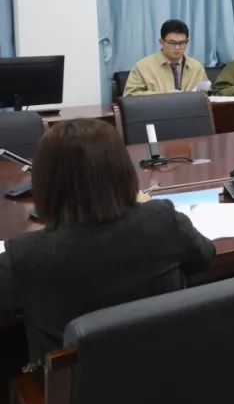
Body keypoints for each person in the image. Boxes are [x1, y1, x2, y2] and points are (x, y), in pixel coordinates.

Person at [0, 119, 215, 369]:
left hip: (77, 390)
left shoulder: (25, 255)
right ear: (123, 172)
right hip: (169, 373)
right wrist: (145, 208)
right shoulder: (161, 219)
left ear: (43, 184)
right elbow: (205, 256)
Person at [123, 19, 209, 96]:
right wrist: (164, 96)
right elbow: (129, 96)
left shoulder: (196, 67)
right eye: (172, 43)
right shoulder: (142, 67)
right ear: (161, 42)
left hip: (190, 109)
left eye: (182, 43)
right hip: (157, 108)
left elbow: (205, 95)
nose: (177, 47)